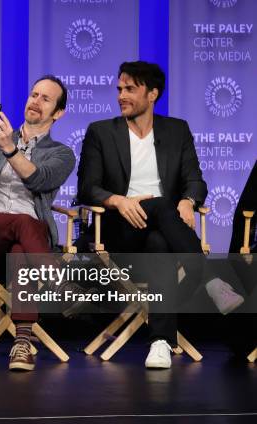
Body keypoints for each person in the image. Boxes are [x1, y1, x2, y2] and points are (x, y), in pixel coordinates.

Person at [77, 61, 244, 369]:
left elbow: (195, 180)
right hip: (118, 231)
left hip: (164, 234)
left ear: (152, 94)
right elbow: (87, 188)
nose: (121, 96)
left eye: (130, 89)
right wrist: (117, 200)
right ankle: (209, 278)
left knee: (159, 244)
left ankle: (159, 344)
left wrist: (188, 200)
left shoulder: (176, 130)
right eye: (119, 89)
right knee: (159, 206)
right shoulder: (101, 132)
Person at [0, 75, 75, 371]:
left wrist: (9, 148)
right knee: (23, 224)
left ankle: (22, 342)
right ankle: (58, 283)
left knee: (21, 251)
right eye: (34, 94)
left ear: (58, 113)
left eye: (45, 98)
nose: (35, 101)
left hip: (27, 237)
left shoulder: (61, 153)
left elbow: (38, 180)